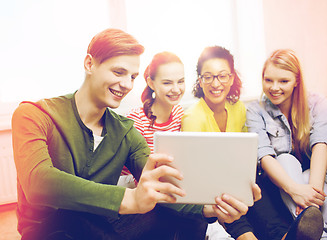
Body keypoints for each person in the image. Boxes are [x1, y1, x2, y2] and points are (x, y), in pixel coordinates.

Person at [11, 28, 261, 240]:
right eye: (118, 72)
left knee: (191, 220)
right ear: (89, 64)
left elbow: (163, 185)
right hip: (51, 230)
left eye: (132, 77)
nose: (127, 85)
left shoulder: (125, 131)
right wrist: (129, 199)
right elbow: (38, 182)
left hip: (101, 224)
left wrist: (212, 208)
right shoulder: (33, 115)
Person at [246, 49, 326, 239]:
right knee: (284, 160)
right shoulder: (255, 110)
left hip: (315, 181)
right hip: (284, 184)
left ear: (296, 81)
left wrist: (312, 199)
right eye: (268, 80)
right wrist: (295, 190)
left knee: (311, 175)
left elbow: (320, 145)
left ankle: (316, 227)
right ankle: (306, 227)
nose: (274, 87)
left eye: (283, 81)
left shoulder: (317, 103)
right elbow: (264, 156)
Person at [181, 46, 252, 239]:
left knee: (260, 194)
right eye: (208, 77)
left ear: (231, 78)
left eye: (222, 76)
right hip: (208, 189)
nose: (216, 83)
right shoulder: (193, 117)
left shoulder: (238, 108)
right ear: (200, 81)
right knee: (233, 207)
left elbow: (246, 153)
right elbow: (194, 172)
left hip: (236, 180)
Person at [119, 51, 185, 187]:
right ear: (151, 83)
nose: (176, 89)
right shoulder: (136, 120)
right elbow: (138, 176)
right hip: (134, 187)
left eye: (181, 81)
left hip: (168, 184)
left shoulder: (179, 113)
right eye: (167, 83)